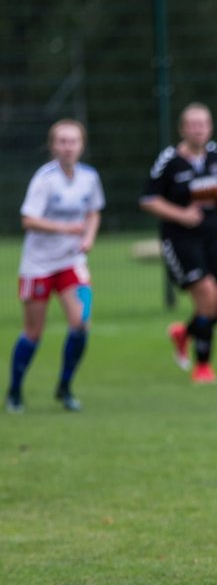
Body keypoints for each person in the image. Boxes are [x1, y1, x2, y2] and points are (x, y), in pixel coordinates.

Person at [140, 103, 217, 384]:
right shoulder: (169, 160)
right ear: (182, 129)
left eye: (203, 123)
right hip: (180, 240)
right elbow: (148, 200)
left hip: (212, 238)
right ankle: (203, 366)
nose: (198, 129)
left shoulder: (216, 154)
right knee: (207, 294)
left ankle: (185, 332)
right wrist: (181, 214)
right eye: (192, 124)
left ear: (210, 127)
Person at [6, 120, 104, 414]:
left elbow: (94, 212)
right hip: (38, 266)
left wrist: (87, 237)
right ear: (53, 146)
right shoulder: (44, 179)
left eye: (73, 141)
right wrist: (66, 228)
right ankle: (14, 391)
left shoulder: (89, 177)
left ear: (82, 145)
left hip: (72, 263)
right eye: (61, 141)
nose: (67, 147)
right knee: (33, 331)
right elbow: (28, 220)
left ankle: (64, 387)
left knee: (82, 321)